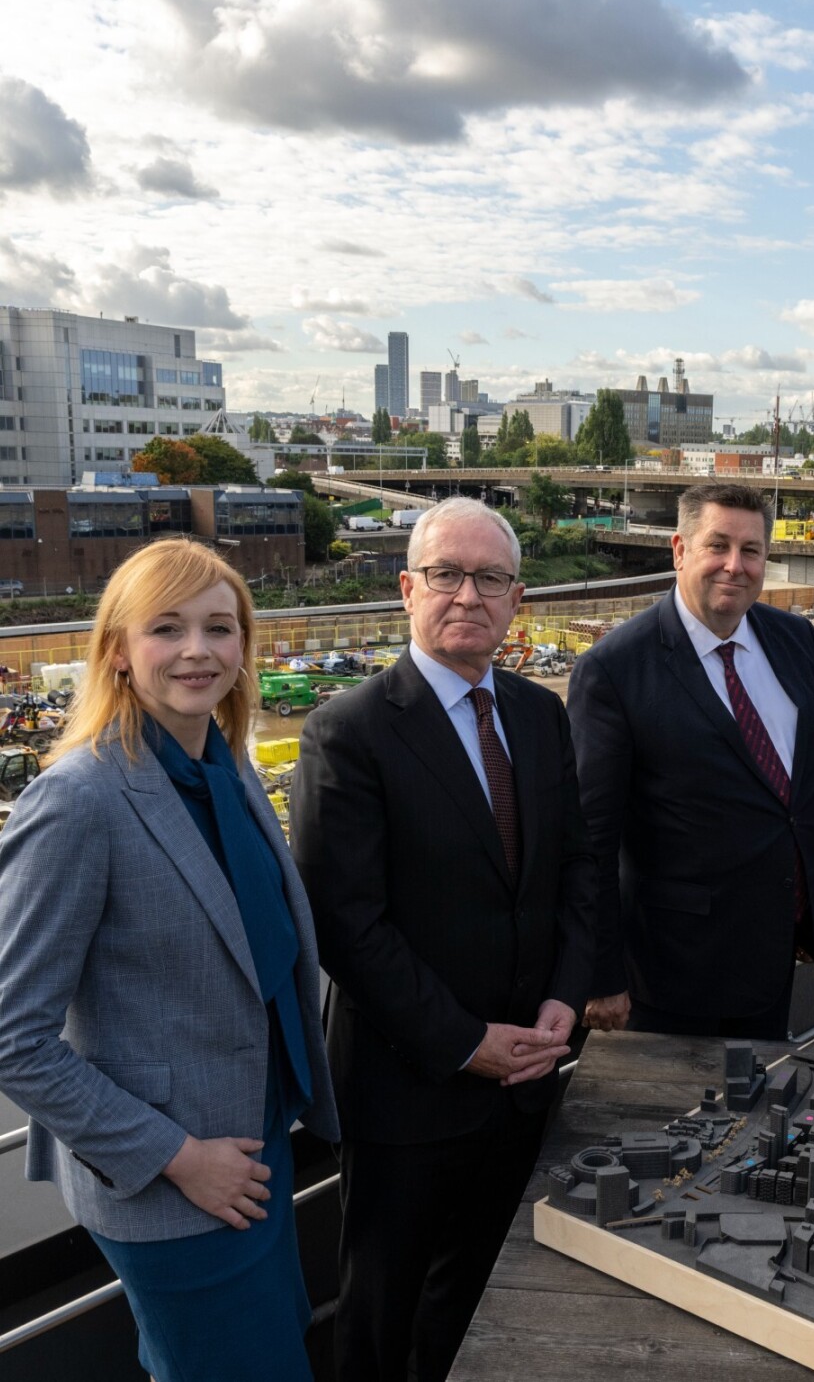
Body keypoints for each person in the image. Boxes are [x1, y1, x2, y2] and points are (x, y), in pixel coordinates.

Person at [0, 538, 337, 1382]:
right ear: (117, 649)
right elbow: (14, 1037)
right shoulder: (77, 800)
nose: (198, 650)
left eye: (220, 628)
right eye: (167, 628)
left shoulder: (223, 768)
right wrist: (181, 1158)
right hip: (177, 1184)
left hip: (257, 1146)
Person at [291, 498, 593, 1382]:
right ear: (406, 589)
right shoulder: (347, 732)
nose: (469, 594)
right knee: (381, 1317)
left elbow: (578, 872)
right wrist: (466, 1044)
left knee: (478, 1300)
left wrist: (564, 1004)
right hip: (407, 1093)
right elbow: (346, 924)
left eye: (490, 578)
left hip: (528, 1079)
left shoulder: (542, 717)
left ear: (517, 598)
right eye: (447, 575)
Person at [568, 481, 814, 1040]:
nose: (734, 566)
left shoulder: (795, 639)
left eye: (752, 551)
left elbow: (806, 787)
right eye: (718, 546)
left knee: (763, 1113)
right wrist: (600, 973)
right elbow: (590, 838)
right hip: (675, 971)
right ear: (679, 550)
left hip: (774, 953)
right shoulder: (615, 669)